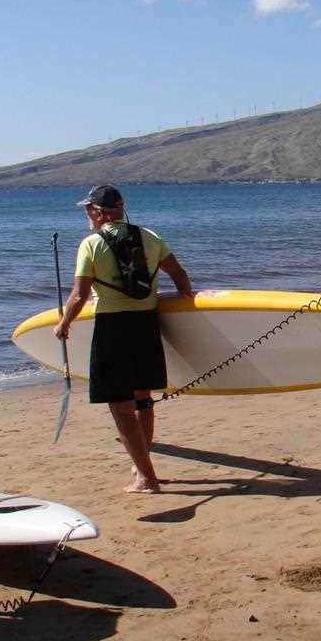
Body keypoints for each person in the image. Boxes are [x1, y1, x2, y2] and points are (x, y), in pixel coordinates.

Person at [54, 184, 194, 493]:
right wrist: (188, 308)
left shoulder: (91, 244)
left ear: (101, 212)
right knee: (142, 400)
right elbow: (180, 275)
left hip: (113, 329)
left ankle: (146, 477)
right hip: (146, 325)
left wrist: (63, 324)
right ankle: (141, 464)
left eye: (89, 209)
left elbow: (80, 295)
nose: (87, 214)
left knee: (120, 407)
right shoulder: (150, 237)